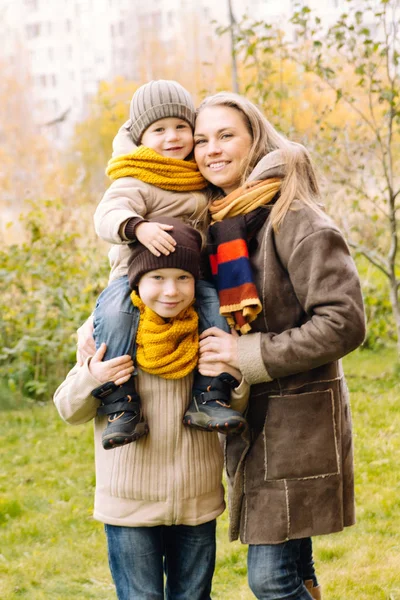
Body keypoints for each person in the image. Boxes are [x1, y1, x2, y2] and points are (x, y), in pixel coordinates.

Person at [191, 92, 366, 600]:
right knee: (295, 566)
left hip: (298, 423)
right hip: (260, 419)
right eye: (202, 139)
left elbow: (344, 321)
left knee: (271, 578)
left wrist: (247, 356)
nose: (211, 150)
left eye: (226, 136)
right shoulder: (227, 221)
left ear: (256, 140)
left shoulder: (294, 217)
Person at [54, 218, 250, 600]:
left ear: (197, 283)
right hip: (129, 503)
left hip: (196, 500)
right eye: (157, 278)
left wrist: (234, 377)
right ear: (137, 283)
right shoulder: (112, 332)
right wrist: (93, 377)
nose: (171, 291)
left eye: (183, 278)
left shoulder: (210, 331)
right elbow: (68, 409)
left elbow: (234, 406)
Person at [87, 79, 246, 449]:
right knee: (115, 314)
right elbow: (107, 214)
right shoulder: (136, 176)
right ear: (141, 137)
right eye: (159, 129)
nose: (172, 136)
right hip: (134, 277)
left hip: (190, 277)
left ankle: (209, 396)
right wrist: (136, 227)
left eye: (181, 127)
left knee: (215, 310)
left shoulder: (198, 178)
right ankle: (120, 403)